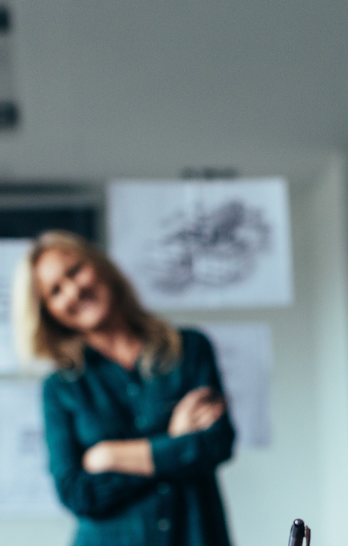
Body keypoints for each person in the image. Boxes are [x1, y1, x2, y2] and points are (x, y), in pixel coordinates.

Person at [15, 230, 235, 546]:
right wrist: (174, 441)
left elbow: (216, 443)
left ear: (100, 266)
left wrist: (110, 456)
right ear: (47, 311)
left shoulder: (190, 349)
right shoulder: (61, 387)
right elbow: (78, 492)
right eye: (55, 291)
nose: (74, 291)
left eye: (75, 271)